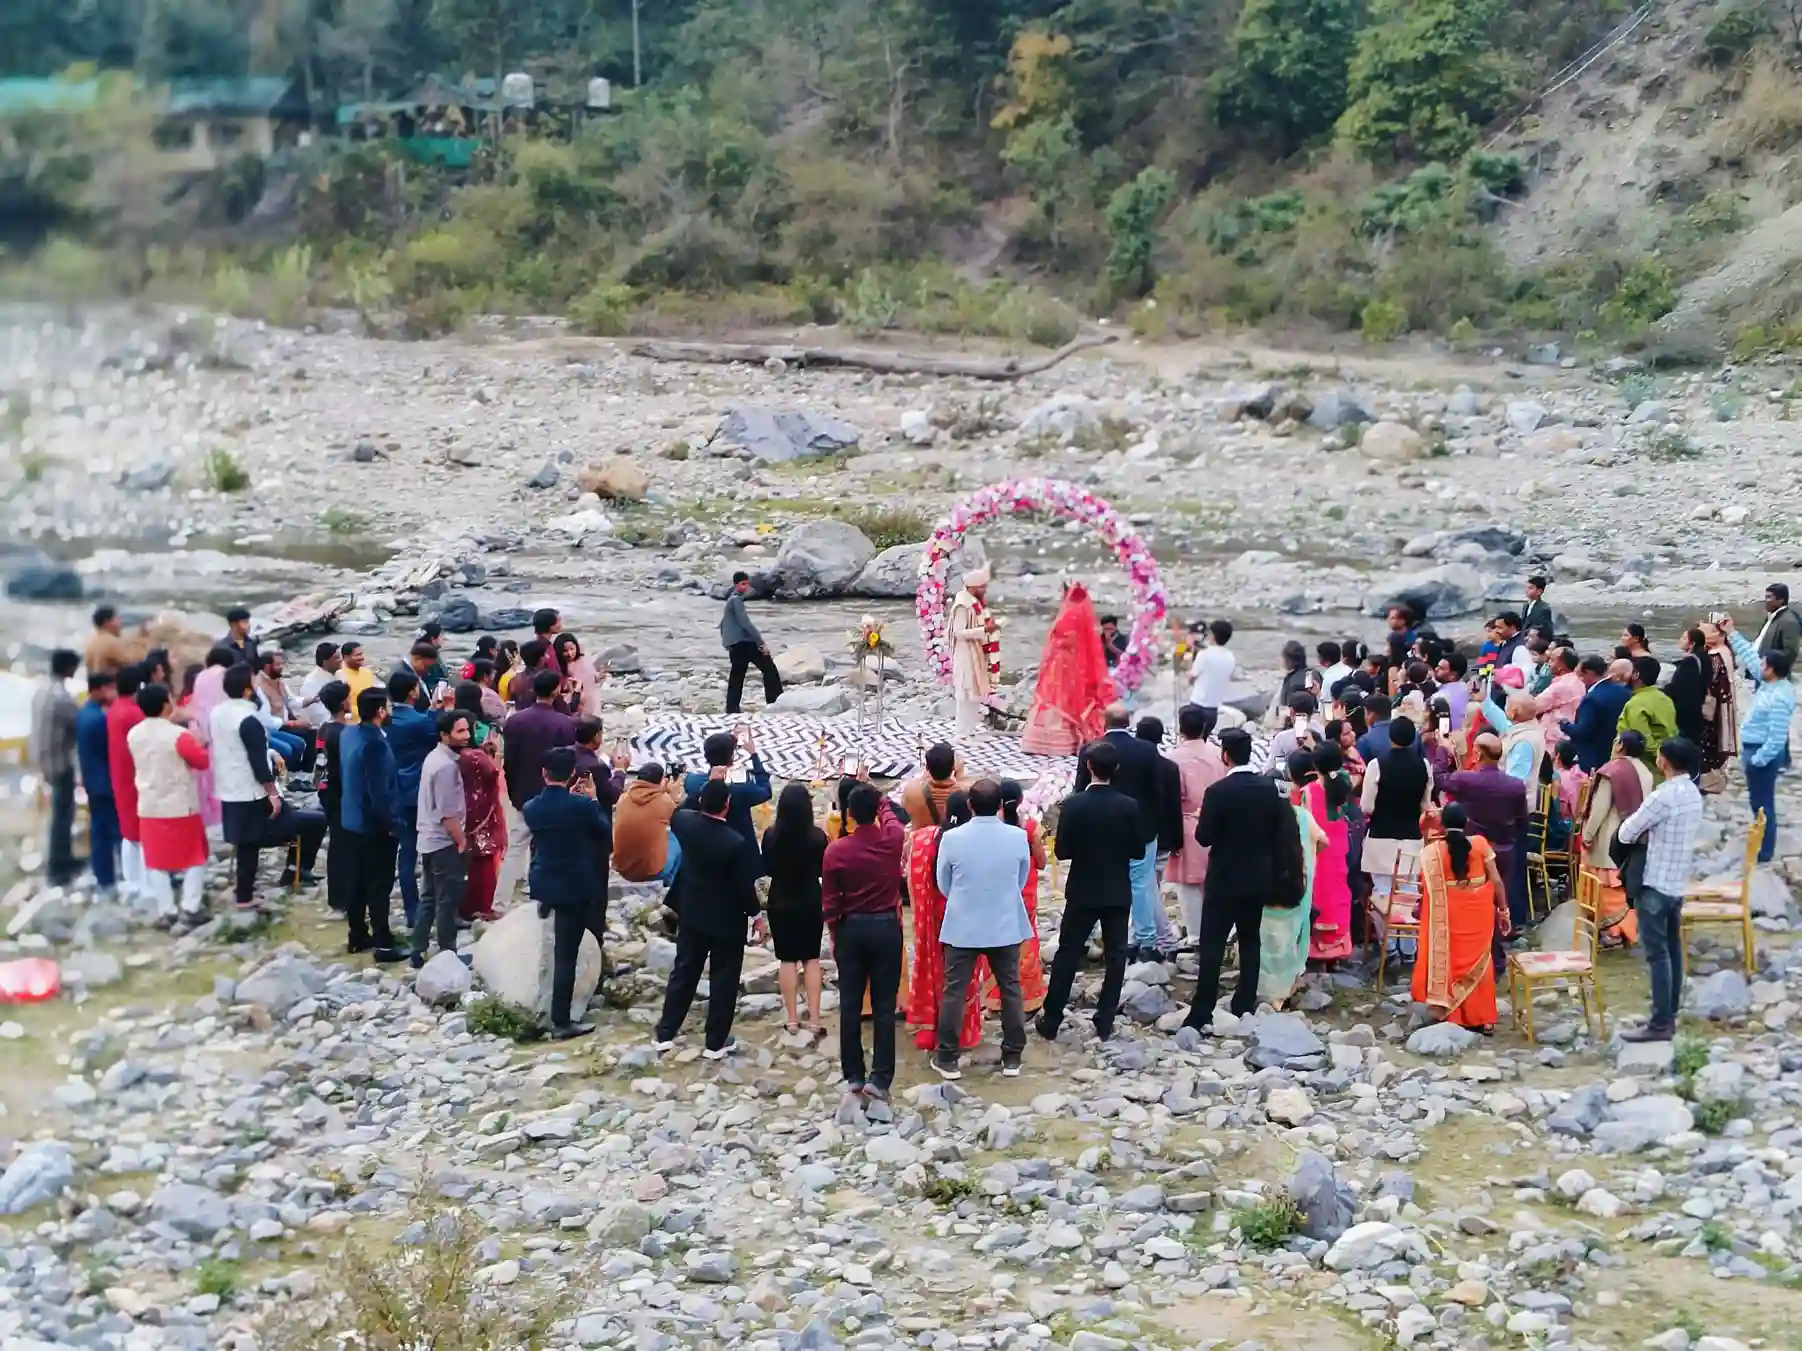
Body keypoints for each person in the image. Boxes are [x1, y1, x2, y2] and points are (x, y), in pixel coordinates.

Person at [1184, 729, 1301, 1032]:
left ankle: (1202, 1009)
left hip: (1224, 878)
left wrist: (1202, 819)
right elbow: (1284, 833)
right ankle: (1243, 1002)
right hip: (1259, 877)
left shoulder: (1217, 792)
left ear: (1226, 755)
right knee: (1250, 939)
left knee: (1212, 943)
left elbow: (1204, 837)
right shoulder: (1273, 789)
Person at [930, 779, 1033, 1079]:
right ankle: (1012, 1055)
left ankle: (947, 1057)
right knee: (1010, 988)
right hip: (1003, 923)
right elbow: (1021, 878)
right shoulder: (1017, 837)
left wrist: (965, 898)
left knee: (954, 990)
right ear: (1000, 805)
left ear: (970, 806)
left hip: (963, 924)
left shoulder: (952, 838)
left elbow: (943, 882)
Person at [1039, 741, 1140, 1043]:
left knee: (1068, 952)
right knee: (1115, 955)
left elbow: (1063, 850)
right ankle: (1105, 1019)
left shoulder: (1074, 804)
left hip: (1082, 888)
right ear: (1116, 769)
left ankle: (1053, 1017)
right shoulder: (1129, 806)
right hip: (1116, 889)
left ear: (1088, 767)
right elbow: (1137, 849)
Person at [655, 778, 763, 1058]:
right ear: (727, 805)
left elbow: (682, 808)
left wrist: (703, 785)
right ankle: (715, 1042)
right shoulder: (735, 843)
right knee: (724, 979)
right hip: (726, 920)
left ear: (701, 802)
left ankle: (665, 1033)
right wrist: (756, 914)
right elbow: (744, 887)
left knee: (684, 971)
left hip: (691, 912)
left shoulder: (685, 823)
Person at [1616, 737, 1705, 1042]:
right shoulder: (1693, 792)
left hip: (1654, 881)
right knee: (1672, 950)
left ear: (1664, 761)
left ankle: (1660, 1023)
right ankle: (1670, 1012)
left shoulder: (1663, 795)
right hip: (1677, 880)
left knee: (1657, 955)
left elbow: (1627, 833)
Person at [213, 665, 323, 909]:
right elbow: (256, 761)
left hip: (229, 791)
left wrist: (270, 753)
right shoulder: (248, 720)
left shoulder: (218, 713)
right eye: (252, 685)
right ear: (245, 690)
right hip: (253, 795)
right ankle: (294, 871)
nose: (256, 690)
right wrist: (272, 793)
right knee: (314, 821)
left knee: (246, 843)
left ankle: (244, 893)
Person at [525, 746, 612, 1038]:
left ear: (543, 773)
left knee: (552, 947)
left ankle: (547, 1008)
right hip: (575, 883)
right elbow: (603, 832)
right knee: (566, 954)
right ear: (572, 774)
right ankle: (561, 1020)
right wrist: (593, 800)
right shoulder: (582, 807)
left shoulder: (532, 808)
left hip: (544, 880)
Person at [1073, 705, 1170, 962]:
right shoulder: (1147, 750)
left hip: (1099, 829)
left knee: (1095, 880)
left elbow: (1080, 790)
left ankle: (1088, 935)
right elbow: (1157, 793)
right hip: (1141, 827)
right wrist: (1156, 826)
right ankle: (1146, 941)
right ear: (1129, 722)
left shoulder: (1091, 749)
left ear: (1104, 722)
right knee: (1140, 884)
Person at [1412, 803, 1506, 1031]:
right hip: (1479, 914)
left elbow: (1423, 885)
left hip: (1447, 915)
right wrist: (1503, 910)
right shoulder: (1480, 844)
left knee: (1449, 960)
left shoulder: (1433, 852)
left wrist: (1427, 827)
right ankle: (1483, 1018)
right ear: (1466, 823)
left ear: (1443, 824)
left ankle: (1450, 1013)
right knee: (1481, 963)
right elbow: (1495, 881)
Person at [127, 683, 212, 926]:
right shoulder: (179, 736)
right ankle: (191, 905)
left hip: (149, 804)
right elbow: (202, 762)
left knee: (156, 861)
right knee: (196, 856)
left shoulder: (134, 734)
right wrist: (200, 741)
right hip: (180, 804)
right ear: (166, 706)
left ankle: (167, 910)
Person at [906, 792, 982, 1054]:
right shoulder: (974, 842)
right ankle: (963, 1031)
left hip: (932, 914)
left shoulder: (922, 838)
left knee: (932, 966)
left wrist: (918, 915)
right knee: (963, 974)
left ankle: (929, 1026)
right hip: (963, 914)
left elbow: (911, 879)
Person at [497, 669, 579, 907]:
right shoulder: (564, 723)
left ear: (532, 690)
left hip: (523, 789)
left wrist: (513, 791)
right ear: (556, 690)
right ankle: (543, 895)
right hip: (553, 792)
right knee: (551, 846)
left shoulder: (515, 721)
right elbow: (567, 762)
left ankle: (500, 902)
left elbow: (509, 761)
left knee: (516, 848)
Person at [339, 688, 410, 962]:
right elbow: (378, 792)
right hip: (373, 826)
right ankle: (383, 941)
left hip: (351, 818)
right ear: (381, 711)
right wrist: (392, 824)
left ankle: (357, 934)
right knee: (379, 884)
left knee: (356, 880)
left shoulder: (348, 733)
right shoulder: (375, 744)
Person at [1438, 733, 1531, 938]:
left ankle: (1482, 941)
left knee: (1475, 901)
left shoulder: (1467, 780)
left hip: (1475, 850)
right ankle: (1499, 936)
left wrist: (1443, 750)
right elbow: (1522, 819)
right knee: (1499, 897)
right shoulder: (1515, 785)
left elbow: (1440, 778)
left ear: (1478, 754)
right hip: (1504, 849)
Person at [762, 783, 829, 1037]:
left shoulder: (771, 835)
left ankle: (791, 1019)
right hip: (810, 899)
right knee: (811, 959)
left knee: (787, 959)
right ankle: (814, 1018)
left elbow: (767, 868)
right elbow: (823, 869)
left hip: (780, 900)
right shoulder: (817, 837)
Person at [1263, 752, 1327, 1007]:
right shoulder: (1301, 814)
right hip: (1297, 885)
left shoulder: (1260, 817)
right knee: (1294, 936)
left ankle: (1266, 990)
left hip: (1267, 887)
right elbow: (1323, 841)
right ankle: (1289, 983)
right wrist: (1311, 855)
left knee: (1266, 938)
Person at [1021, 582, 1116, 754]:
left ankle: (1051, 742)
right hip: (1076, 665)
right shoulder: (1082, 614)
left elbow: (1062, 637)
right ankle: (1073, 738)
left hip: (1061, 664)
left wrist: (1055, 642)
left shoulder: (1069, 613)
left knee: (1057, 700)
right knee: (1072, 700)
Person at [411, 709, 472, 968]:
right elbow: (448, 814)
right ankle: (448, 951)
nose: (467, 735)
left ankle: (418, 948)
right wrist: (461, 841)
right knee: (447, 900)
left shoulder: (434, 757)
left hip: (428, 838)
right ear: (444, 735)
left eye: (467, 729)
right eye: (460, 731)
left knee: (429, 896)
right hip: (444, 841)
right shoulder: (446, 766)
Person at [1581, 731, 1651, 948]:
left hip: (1608, 838)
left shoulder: (1611, 770)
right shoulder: (1645, 772)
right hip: (1634, 837)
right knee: (1623, 885)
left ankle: (1612, 934)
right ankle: (1626, 931)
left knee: (1606, 886)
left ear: (1620, 745)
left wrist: (1588, 834)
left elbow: (1600, 808)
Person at [1360, 717, 1433, 924]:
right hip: (1411, 835)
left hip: (1381, 835)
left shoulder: (1377, 765)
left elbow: (1367, 806)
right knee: (1408, 891)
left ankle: (1388, 946)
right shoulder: (1424, 766)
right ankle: (1408, 947)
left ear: (1390, 737)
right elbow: (1425, 803)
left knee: (1382, 891)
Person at [1165, 704, 1228, 942]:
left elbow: (1171, 798)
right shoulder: (1218, 754)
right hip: (1219, 822)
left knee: (1189, 885)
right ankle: (1218, 930)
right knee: (1215, 880)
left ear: (1180, 728)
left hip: (1187, 823)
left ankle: (1195, 934)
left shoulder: (1172, 758)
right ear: (1205, 727)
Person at [992, 779, 1049, 1015]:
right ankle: (1029, 995)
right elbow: (1043, 863)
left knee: (997, 941)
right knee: (1027, 941)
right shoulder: (1030, 829)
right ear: (1021, 801)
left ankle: (995, 996)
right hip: (1025, 894)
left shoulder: (993, 830)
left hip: (998, 893)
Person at [387, 671, 438, 926]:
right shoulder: (420, 721)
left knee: (405, 854)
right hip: (418, 791)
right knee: (429, 850)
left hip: (394, 791)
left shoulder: (386, 719)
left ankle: (411, 909)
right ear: (412, 692)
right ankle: (427, 906)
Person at [1735, 650, 1796, 863]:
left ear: (1771, 669)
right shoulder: (1772, 685)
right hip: (1755, 749)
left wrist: (1759, 759)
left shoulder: (1778, 697)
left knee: (1763, 803)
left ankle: (1765, 851)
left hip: (1761, 754)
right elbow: (1751, 658)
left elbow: (1778, 737)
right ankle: (1761, 841)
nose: (1758, 667)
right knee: (1758, 801)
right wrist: (1732, 634)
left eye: (1762, 665)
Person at [29, 649, 81, 888]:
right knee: (62, 816)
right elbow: (78, 722)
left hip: (45, 761)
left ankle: (59, 861)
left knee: (58, 815)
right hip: (60, 762)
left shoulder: (41, 691)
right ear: (68, 668)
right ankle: (59, 865)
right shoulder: (61, 697)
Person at [454, 693, 507, 922]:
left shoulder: (457, 755)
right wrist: (493, 753)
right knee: (484, 858)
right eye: (462, 731)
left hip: (466, 808)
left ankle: (467, 905)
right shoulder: (474, 756)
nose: (467, 735)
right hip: (482, 808)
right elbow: (493, 772)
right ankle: (483, 906)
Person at [1306, 743, 1357, 964]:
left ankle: (1317, 947)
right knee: (1339, 890)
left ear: (1315, 765)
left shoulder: (1309, 791)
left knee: (1319, 889)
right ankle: (1338, 945)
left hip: (1319, 848)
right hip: (1340, 845)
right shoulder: (1345, 783)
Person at [106, 663, 149, 907]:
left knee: (128, 832)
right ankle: (146, 885)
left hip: (119, 776)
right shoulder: (134, 713)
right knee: (143, 832)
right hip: (136, 776)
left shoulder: (114, 709)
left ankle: (131, 881)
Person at [681, 729, 772, 845]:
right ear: (731, 758)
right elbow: (765, 790)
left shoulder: (691, 781)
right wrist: (754, 756)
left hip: (705, 844)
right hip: (740, 848)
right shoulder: (740, 791)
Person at [74, 672, 119, 895]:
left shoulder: (84, 714)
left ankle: (104, 878)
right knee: (111, 831)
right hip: (104, 782)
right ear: (99, 689)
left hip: (92, 780)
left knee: (99, 831)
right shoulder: (99, 719)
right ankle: (111, 880)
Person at [313, 680, 353, 914]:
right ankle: (341, 898)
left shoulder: (324, 729)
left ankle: (338, 896)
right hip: (340, 793)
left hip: (326, 790)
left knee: (337, 844)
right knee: (343, 846)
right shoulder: (344, 734)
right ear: (342, 703)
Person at [720, 572, 783, 714]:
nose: (746, 586)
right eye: (743, 584)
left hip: (735, 645)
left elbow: (723, 624)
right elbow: (745, 624)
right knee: (769, 669)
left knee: (737, 676)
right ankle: (775, 702)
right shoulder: (736, 601)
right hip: (744, 644)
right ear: (736, 585)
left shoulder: (731, 600)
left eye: (747, 583)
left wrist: (726, 642)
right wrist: (761, 642)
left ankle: (732, 708)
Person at [948, 566, 999, 734]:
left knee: (975, 694)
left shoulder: (974, 602)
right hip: (965, 654)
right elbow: (958, 633)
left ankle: (970, 730)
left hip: (976, 653)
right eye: (982, 587)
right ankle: (962, 733)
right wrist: (984, 631)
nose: (985, 590)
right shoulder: (962, 604)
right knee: (965, 695)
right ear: (972, 587)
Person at [615, 763, 684, 885]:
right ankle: (670, 883)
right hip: (652, 871)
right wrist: (673, 796)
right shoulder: (664, 801)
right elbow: (679, 818)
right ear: (661, 781)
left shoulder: (623, 798)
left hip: (622, 868)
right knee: (679, 837)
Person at [1561, 656, 1632, 772]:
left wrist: (1565, 725)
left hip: (1593, 757)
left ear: (1589, 673)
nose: (1580, 680)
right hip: (1615, 751)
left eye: (1581, 676)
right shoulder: (1624, 692)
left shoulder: (1592, 698)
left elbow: (1582, 732)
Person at [1696, 622, 1741, 786]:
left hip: (1716, 705)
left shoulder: (1716, 656)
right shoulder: (1725, 652)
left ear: (1719, 635)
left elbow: (1713, 681)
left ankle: (1712, 777)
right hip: (1723, 702)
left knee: (1713, 738)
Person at [252, 650, 312, 770]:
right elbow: (265, 720)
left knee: (309, 733)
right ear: (267, 666)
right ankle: (287, 775)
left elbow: (292, 701)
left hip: (283, 724)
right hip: (270, 728)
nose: (282, 667)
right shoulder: (258, 686)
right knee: (290, 747)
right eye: (278, 664)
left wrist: (314, 698)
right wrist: (294, 723)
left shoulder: (278, 682)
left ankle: (303, 773)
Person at [1619, 656, 1677, 770]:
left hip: (1644, 766)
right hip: (1666, 761)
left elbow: (1642, 741)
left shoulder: (1636, 703)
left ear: (1636, 675)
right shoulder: (1665, 698)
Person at [1188, 620, 1239, 738]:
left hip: (1197, 706)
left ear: (1212, 635)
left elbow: (1191, 677)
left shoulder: (1204, 654)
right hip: (1213, 709)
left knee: (1190, 740)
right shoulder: (1230, 657)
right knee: (1203, 740)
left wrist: (1188, 660)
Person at [901, 742, 967, 828]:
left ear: (927, 768)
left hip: (922, 839)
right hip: (951, 839)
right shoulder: (967, 794)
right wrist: (960, 775)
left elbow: (905, 809)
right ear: (954, 767)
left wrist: (922, 778)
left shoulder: (911, 790)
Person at [1531, 647, 1585, 746]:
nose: (1548, 664)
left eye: (1552, 660)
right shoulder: (1578, 682)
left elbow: (1532, 707)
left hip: (1554, 739)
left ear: (1561, 665)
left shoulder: (1561, 686)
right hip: (1567, 736)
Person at [1666, 628, 1709, 747]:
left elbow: (1677, 687)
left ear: (1692, 643)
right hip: (1698, 708)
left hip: (1685, 712)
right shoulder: (1705, 658)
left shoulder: (1689, 662)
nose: (1681, 640)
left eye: (1684, 638)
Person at [1751, 582, 1802, 665]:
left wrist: (1769, 664)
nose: (1765, 601)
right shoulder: (1771, 617)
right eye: (1765, 597)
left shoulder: (1789, 622)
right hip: (1758, 667)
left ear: (1781, 600)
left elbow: (1790, 653)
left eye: (1769, 597)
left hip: (1770, 673)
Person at [297, 642, 342, 730]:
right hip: (320, 730)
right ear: (326, 661)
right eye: (336, 658)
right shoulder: (311, 683)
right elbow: (318, 717)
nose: (341, 660)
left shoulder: (338, 675)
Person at [84, 605, 136, 676]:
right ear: (107, 622)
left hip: (94, 684)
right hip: (110, 685)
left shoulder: (91, 643)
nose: (120, 622)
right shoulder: (112, 642)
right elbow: (132, 663)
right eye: (116, 619)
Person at [338, 642, 378, 721]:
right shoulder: (340, 677)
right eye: (357, 655)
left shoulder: (367, 672)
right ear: (346, 657)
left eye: (361, 654)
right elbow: (342, 707)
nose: (362, 657)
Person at [1433, 652, 1471, 731]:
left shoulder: (1440, 697)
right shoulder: (1466, 688)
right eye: (1437, 666)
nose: (1436, 669)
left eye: (1441, 668)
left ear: (1452, 675)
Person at [1355, 694, 1395, 764]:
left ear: (1371, 715)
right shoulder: (1413, 735)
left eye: (1365, 713)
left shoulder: (1365, 741)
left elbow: (1361, 769)